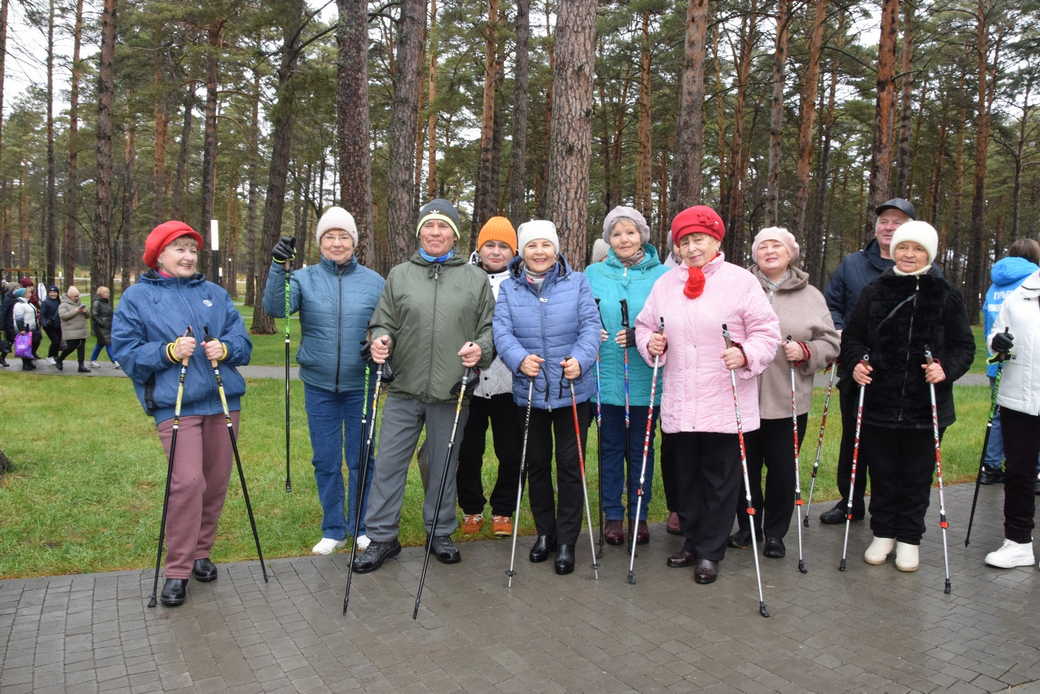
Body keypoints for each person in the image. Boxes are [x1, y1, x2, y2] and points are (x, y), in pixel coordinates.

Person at [636, 205, 780, 584]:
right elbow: (646, 325)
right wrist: (652, 343)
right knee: (684, 478)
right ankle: (691, 540)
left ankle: (710, 551)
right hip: (681, 402)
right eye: (684, 241)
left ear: (716, 240)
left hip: (724, 401)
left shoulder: (741, 282)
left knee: (719, 480)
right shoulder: (666, 283)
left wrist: (745, 352)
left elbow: (767, 332)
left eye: (698, 239)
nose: (691, 247)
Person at [111, 220, 252, 607]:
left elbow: (243, 342)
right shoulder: (138, 297)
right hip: (175, 406)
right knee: (187, 483)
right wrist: (166, 352)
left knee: (215, 483)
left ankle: (201, 552)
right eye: (179, 249)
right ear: (159, 255)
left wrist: (226, 349)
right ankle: (177, 570)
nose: (189, 256)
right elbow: (123, 351)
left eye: (192, 249)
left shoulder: (214, 294)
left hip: (223, 402)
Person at [352, 199, 495, 574]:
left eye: (443, 227)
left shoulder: (474, 279)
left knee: (442, 464)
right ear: (419, 233)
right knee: (389, 464)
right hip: (403, 388)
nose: (435, 233)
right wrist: (381, 339)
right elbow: (382, 322)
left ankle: (440, 531)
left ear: (455, 235)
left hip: (452, 390)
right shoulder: (400, 275)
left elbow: (489, 329)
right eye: (429, 227)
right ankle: (382, 537)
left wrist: (480, 349)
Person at [840, 220, 974, 572]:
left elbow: (964, 346)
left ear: (928, 252)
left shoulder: (945, 294)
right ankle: (883, 533)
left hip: (924, 407)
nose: (909, 254)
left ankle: (910, 537)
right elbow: (852, 339)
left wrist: (945, 370)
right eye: (903, 247)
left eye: (917, 249)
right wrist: (855, 364)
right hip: (878, 404)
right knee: (882, 473)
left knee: (916, 476)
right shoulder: (874, 290)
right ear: (893, 250)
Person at [261, 206, 385, 555]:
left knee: (362, 456)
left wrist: (380, 340)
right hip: (319, 385)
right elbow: (276, 307)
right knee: (326, 459)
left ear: (354, 242)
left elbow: (388, 324)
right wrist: (276, 267)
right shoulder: (303, 278)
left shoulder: (375, 282)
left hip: (361, 382)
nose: (336, 242)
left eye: (343, 236)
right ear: (320, 242)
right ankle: (333, 528)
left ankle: (360, 525)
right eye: (329, 236)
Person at [820, 198, 943, 524]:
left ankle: (890, 512)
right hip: (859, 369)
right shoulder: (852, 265)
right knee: (854, 438)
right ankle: (850, 501)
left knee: (892, 449)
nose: (889, 227)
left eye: (898, 221)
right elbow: (831, 305)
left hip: (906, 379)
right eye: (884, 221)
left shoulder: (931, 271)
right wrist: (841, 332)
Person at [493, 220, 600, 574]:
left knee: (570, 467)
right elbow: (502, 331)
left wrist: (581, 360)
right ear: (522, 251)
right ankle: (545, 533)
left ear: (556, 249)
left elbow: (590, 326)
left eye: (546, 245)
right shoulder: (510, 288)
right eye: (532, 246)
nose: (539, 252)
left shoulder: (578, 282)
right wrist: (519, 359)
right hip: (530, 393)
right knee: (536, 465)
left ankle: (568, 540)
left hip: (571, 392)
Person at [729, 227, 839, 558]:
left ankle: (775, 533)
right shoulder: (737, 287)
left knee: (781, 470)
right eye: (763, 246)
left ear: (791, 252)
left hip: (787, 400)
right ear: (754, 253)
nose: (770, 251)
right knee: (741, 468)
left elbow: (831, 342)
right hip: (742, 397)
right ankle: (749, 525)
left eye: (777, 245)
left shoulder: (811, 295)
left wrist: (806, 351)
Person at [585, 206, 668, 545]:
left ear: (642, 236)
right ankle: (613, 515)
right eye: (616, 233)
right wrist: (591, 333)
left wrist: (643, 335)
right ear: (608, 239)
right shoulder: (592, 273)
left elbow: (673, 321)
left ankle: (639, 514)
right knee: (610, 449)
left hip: (646, 380)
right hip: (605, 381)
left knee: (641, 450)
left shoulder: (663, 275)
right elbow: (580, 314)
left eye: (630, 232)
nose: (624, 239)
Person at [456, 216, 522, 537]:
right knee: (468, 450)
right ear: (479, 248)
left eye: (503, 246)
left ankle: (503, 509)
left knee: (509, 450)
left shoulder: (521, 281)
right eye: (489, 245)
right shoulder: (464, 278)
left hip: (509, 381)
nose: (496, 252)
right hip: (468, 381)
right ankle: (471, 508)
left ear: (514, 251)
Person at [983, 266, 1040, 568]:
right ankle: (1018, 541)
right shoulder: (1019, 295)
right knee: (1019, 472)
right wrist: (997, 344)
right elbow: (995, 338)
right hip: (1020, 399)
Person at [979, 239, 1040, 486]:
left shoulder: (996, 284)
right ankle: (1034, 469)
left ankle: (991, 465)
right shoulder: (1030, 281)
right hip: (1024, 362)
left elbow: (988, 323)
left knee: (997, 416)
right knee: (1026, 419)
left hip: (997, 359)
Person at [57, 286, 91, 373]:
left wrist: (85, 311)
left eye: (78, 296)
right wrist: (76, 311)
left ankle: (81, 366)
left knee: (81, 349)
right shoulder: (63, 305)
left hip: (81, 330)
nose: (77, 298)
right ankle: (60, 359)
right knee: (70, 348)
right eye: (75, 296)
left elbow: (88, 316)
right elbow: (63, 316)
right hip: (71, 331)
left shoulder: (80, 303)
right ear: (70, 296)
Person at [12, 287, 39, 370]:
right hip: (25, 329)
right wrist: (21, 329)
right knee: (25, 346)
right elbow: (19, 318)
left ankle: (29, 361)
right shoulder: (19, 305)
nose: (30, 294)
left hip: (33, 328)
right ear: (23, 294)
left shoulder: (28, 303)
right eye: (28, 293)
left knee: (33, 343)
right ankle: (26, 364)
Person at [89, 286, 116, 368]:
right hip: (100, 327)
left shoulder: (106, 302)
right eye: (106, 292)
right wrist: (102, 323)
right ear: (101, 294)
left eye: (108, 292)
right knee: (108, 343)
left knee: (100, 344)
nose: (108, 294)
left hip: (107, 327)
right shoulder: (96, 302)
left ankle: (93, 360)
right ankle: (115, 361)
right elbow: (94, 315)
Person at [41, 285, 63, 365]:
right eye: (51, 292)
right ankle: (50, 357)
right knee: (55, 340)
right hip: (49, 326)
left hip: (58, 325)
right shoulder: (45, 302)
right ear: (48, 293)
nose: (53, 294)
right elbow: (42, 315)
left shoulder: (59, 301)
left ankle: (56, 356)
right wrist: (44, 323)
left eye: (55, 292)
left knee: (58, 341)